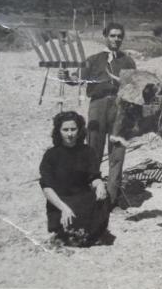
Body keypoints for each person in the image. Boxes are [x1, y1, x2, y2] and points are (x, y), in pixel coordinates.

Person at [59, 23, 136, 207]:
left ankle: (111, 198)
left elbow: (134, 87)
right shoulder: (93, 60)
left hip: (120, 107)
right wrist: (66, 77)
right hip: (98, 106)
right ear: (105, 37)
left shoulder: (128, 61)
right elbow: (78, 79)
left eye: (119, 36)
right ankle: (92, 194)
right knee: (94, 151)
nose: (116, 39)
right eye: (112, 36)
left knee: (117, 153)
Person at [39, 111, 111, 246]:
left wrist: (100, 184)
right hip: (61, 202)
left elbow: (94, 177)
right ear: (58, 131)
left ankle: (87, 233)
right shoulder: (51, 155)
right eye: (65, 130)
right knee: (72, 234)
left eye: (73, 129)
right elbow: (47, 189)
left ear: (79, 130)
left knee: (104, 198)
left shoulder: (88, 152)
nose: (70, 134)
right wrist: (64, 208)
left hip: (83, 200)